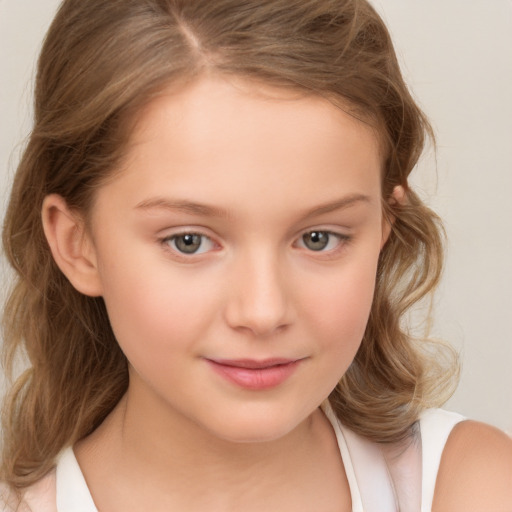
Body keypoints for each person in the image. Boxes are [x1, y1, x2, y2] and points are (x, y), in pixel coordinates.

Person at [1, 0, 511, 510]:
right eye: (189, 241)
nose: (263, 312)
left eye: (319, 238)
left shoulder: (473, 488)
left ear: (383, 225)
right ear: (77, 244)